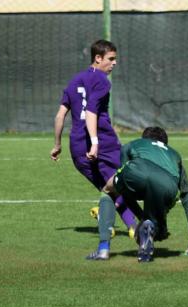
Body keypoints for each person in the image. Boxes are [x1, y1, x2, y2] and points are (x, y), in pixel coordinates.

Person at [50, 39, 137, 238]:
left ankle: (132, 226)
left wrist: (57, 144)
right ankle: (110, 212)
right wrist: (95, 142)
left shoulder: (74, 81)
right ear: (98, 58)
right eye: (111, 59)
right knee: (127, 181)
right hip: (103, 143)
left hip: (77, 148)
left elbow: (59, 116)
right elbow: (91, 112)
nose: (114, 63)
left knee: (111, 189)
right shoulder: (102, 81)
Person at [86, 126, 188, 262]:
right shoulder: (175, 155)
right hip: (168, 186)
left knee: (108, 191)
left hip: (137, 172)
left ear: (144, 139)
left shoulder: (132, 145)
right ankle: (153, 226)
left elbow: (124, 192)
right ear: (165, 144)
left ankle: (103, 249)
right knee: (157, 226)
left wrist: (139, 217)